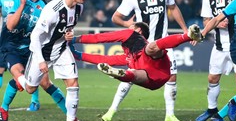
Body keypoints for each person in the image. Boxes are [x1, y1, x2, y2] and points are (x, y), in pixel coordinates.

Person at [104, 0, 189, 121]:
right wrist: (127, 24)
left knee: (172, 77)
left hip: (163, 43)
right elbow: (115, 17)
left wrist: (185, 29)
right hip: (141, 45)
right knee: (129, 76)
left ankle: (170, 115)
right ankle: (111, 111)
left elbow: (173, 8)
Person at [14, 0, 87, 121]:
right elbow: (35, 37)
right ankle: (19, 77)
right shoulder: (53, 9)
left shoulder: (79, 8)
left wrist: (69, 34)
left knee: (73, 84)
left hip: (61, 50)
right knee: (30, 89)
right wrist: (40, 61)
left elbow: (66, 27)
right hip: (42, 51)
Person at [70, 22, 202, 91]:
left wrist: (76, 39)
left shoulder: (132, 35)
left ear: (138, 31)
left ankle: (188, 36)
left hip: (156, 64)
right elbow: (105, 60)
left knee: (150, 48)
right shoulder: (128, 56)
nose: (128, 28)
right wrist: (78, 55)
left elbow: (101, 37)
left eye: (131, 26)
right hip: (154, 79)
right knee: (133, 73)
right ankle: (121, 74)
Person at [0, 0, 40, 112]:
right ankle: (4, 105)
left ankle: (34, 101)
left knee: (29, 70)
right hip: (6, 36)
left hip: (24, 37)